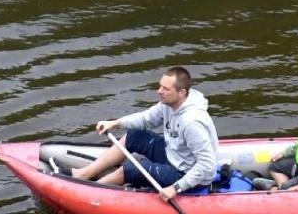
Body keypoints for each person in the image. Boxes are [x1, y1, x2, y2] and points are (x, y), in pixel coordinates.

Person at [71, 66, 219, 202]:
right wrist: (116, 123)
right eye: (160, 86)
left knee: (133, 169)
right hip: (174, 156)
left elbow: (207, 165)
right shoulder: (168, 104)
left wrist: (176, 188)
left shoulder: (192, 122)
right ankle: (83, 174)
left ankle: (87, 193)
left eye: (165, 88)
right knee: (134, 135)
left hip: (186, 174)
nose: (159, 91)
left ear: (182, 93)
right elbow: (146, 119)